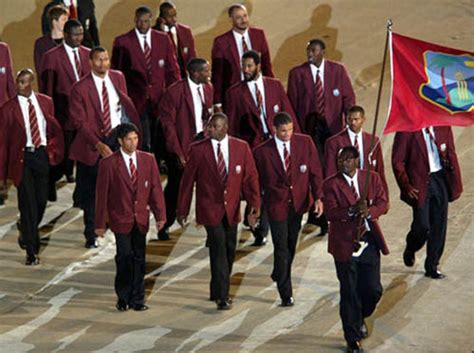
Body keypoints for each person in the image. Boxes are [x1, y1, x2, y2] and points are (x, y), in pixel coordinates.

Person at [177, 113, 260, 310]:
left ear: (225, 128)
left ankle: (217, 287)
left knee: (230, 250)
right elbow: (187, 182)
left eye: (214, 126)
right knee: (218, 249)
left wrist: (254, 206)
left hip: (231, 210)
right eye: (209, 126)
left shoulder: (241, 148)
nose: (209, 129)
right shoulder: (197, 150)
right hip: (209, 209)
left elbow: (250, 179)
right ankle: (223, 296)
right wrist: (182, 210)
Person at [69, 47, 141, 249]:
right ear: (90, 62)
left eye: (106, 59)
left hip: (115, 139)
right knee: (92, 193)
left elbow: (124, 107)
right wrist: (98, 144)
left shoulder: (118, 78)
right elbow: (79, 121)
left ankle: (118, 227)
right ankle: (91, 233)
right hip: (92, 145)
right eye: (98, 60)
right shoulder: (79, 88)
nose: (103, 63)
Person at [225, 50, 299, 246]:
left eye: (249, 66)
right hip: (252, 148)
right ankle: (257, 225)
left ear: (258, 66)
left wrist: (295, 141)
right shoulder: (234, 93)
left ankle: (263, 225)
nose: (246, 70)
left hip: (275, 144)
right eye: (243, 66)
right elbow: (231, 126)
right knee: (255, 187)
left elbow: (287, 112)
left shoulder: (274, 86)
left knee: (271, 186)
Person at [253, 112, 324, 306]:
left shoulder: (305, 143)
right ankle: (286, 293)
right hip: (276, 206)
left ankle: (279, 272)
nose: (287, 134)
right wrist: (255, 207)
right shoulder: (261, 152)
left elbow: (315, 172)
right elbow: (255, 182)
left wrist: (318, 197)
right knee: (281, 246)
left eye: (290, 130)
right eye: (283, 131)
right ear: (274, 130)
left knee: (291, 244)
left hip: (299, 204)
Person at [323, 146, 389, 353]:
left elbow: (384, 203)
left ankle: (360, 315)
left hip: (368, 241)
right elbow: (330, 213)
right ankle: (352, 337)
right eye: (340, 159)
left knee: (373, 289)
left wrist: (369, 211)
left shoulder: (372, 178)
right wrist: (350, 210)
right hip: (344, 244)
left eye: (348, 159)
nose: (343, 162)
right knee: (349, 291)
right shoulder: (331, 184)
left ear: (357, 160)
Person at [288, 38, 355, 235]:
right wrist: (297, 134)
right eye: (308, 51)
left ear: (323, 52)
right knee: (313, 172)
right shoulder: (297, 74)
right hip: (309, 132)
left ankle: (330, 212)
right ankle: (316, 214)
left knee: (331, 171)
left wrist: (351, 122)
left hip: (333, 131)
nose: (309, 54)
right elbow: (291, 104)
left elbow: (348, 98)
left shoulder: (338, 71)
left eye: (314, 51)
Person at [95, 122, 166, 312]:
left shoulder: (148, 160)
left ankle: (138, 299)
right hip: (120, 219)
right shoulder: (108, 164)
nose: (133, 143)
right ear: (120, 141)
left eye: (135, 139)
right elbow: (101, 196)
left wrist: (160, 216)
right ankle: (123, 296)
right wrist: (100, 224)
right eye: (129, 139)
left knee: (139, 258)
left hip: (141, 219)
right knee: (124, 257)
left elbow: (155, 190)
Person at [0, 69, 64, 265]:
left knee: (41, 201)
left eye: (22, 82)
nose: (18, 85)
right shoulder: (8, 109)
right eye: (18, 81)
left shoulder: (46, 102)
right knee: (27, 203)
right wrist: (2, 176)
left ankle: (27, 229)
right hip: (22, 159)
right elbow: (3, 143)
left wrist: (52, 151)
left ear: (30, 83)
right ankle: (31, 249)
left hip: (41, 156)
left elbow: (52, 128)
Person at [392, 126, 462, 279]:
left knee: (439, 225)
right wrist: (406, 185)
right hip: (419, 183)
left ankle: (432, 266)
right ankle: (411, 247)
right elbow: (398, 161)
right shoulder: (406, 130)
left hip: (439, 180)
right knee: (422, 225)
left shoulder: (443, 127)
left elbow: (450, 152)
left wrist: (456, 182)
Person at [111, 5, 180, 154]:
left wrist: (175, 93)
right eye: (140, 21)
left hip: (159, 99)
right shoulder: (122, 42)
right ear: (135, 20)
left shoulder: (163, 39)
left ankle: (155, 166)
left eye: (146, 21)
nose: (143, 25)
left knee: (159, 137)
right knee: (143, 139)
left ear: (151, 20)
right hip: (135, 100)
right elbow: (116, 73)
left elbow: (172, 69)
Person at [159, 58, 213, 240]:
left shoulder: (208, 88)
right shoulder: (174, 92)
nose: (209, 74)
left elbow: (207, 116)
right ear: (195, 73)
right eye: (206, 71)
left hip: (203, 144)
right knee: (176, 186)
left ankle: (210, 228)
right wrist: (178, 152)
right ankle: (164, 223)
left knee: (208, 187)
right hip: (181, 147)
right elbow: (168, 125)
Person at [41, 19, 91, 199]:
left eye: (81, 34)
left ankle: (80, 196)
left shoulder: (88, 54)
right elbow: (47, 89)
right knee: (62, 157)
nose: (79, 38)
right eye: (76, 34)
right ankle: (50, 182)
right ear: (66, 35)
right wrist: (48, 117)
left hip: (85, 116)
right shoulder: (51, 56)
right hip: (63, 116)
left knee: (84, 158)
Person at [211, 3, 274, 106]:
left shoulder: (259, 35)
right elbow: (218, 75)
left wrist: (271, 90)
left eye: (245, 16)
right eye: (238, 17)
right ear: (231, 19)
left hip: (259, 90)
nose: (243, 20)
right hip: (235, 94)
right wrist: (217, 103)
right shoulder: (221, 42)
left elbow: (266, 65)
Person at [325, 105, 388, 197]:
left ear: (363, 119)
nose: (353, 122)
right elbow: (330, 172)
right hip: (344, 193)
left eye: (356, 119)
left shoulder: (373, 141)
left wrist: (384, 196)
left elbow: (380, 171)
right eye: (350, 119)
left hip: (368, 192)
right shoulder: (334, 142)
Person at [153, 1, 196, 78]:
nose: (174, 19)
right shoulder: (154, 34)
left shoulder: (185, 31)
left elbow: (192, 56)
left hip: (184, 78)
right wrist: (161, 31)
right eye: (170, 16)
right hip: (165, 79)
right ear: (161, 18)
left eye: (175, 15)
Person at [34, 5, 69, 92]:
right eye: (64, 20)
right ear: (54, 22)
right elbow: (40, 70)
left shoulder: (70, 42)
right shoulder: (41, 44)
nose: (67, 23)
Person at [0, 41, 16, 206]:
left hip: (2, 109)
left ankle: (2, 183)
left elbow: (9, 79)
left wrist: (15, 104)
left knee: (3, 149)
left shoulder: (3, 49)